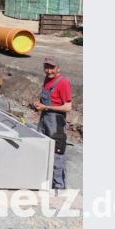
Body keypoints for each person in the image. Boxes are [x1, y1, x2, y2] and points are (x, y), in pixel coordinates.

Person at [32, 57, 72, 190]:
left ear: (58, 68)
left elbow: (67, 107)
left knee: (57, 155)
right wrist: (38, 104)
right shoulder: (47, 79)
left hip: (56, 123)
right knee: (41, 149)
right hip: (44, 120)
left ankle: (59, 187)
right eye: (46, 67)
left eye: (52, 68)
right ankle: (45, 182)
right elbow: (46, 100)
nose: (49, 70)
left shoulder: (63, 82)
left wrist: (46, 108)